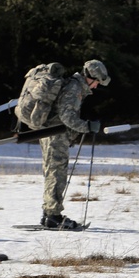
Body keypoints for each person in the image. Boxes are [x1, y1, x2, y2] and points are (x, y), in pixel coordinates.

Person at [32, 60, 109, 229]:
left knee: (53, 171)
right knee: (56, 173)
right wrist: (86, 127)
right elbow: (67, 116)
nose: (96, 86)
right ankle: (53, 216)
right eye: (96, 82)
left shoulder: (75, 87)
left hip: (51, 133)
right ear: (89, 77)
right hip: (55, 135)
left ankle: (49, 213)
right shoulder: (74, 89)